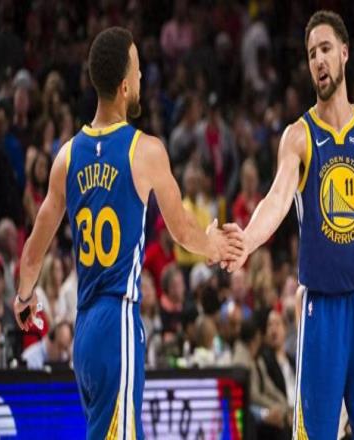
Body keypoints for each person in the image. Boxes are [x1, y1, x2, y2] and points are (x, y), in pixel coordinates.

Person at [13, 27, 241, 440]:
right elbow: (182, 230)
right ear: (123, 86)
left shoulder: (66, 156)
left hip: (84, 331)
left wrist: (25, 298)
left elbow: (32, 252)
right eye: (136, 70)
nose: (140, 78)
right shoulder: (145, 150)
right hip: (117, 320)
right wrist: (216, 245)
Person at [223, 10, 354, 439]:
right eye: (311, 53)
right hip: (321, 312)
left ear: (345, 53)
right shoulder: (298, 136)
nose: (318, 60)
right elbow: (277, 199)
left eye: (325, 49)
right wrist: (247, 240)